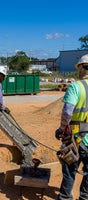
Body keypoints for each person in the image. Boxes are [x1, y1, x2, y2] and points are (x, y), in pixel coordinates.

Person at [55, 54, 88, 200]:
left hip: (76, 137)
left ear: (80, 68)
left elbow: (67, 112)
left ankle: (65, 198)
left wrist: (61, 129)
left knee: (69, 170)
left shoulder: (76, 86)